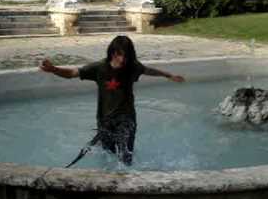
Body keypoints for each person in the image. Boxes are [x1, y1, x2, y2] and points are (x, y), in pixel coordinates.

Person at [39, 35, 185, 165]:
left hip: (127, 119)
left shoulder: (132, 66)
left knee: (126, 157)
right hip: (105, 120)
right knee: (108, 154)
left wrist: (168, 75)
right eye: (120, 55)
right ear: (113, 52)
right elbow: (72, 73)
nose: (123, 60)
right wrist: (54, 69)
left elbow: (147, 70)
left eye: (127, 56)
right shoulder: (99, 68)